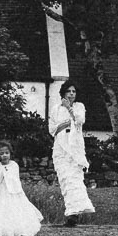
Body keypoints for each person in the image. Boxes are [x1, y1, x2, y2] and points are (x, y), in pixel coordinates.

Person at [49, 80, 96, 227]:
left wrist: (70, 109)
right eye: (68, 91)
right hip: (60, 147)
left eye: (73, 91)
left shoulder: (79, 106)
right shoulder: (56, 108)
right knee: (65, 180)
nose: (71, 94)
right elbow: (52, 129)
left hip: (74, 147)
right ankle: (71, 213)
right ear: (63, 93)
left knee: (74, 179)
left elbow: (79, 120)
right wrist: (67, 123)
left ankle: (75, 214)